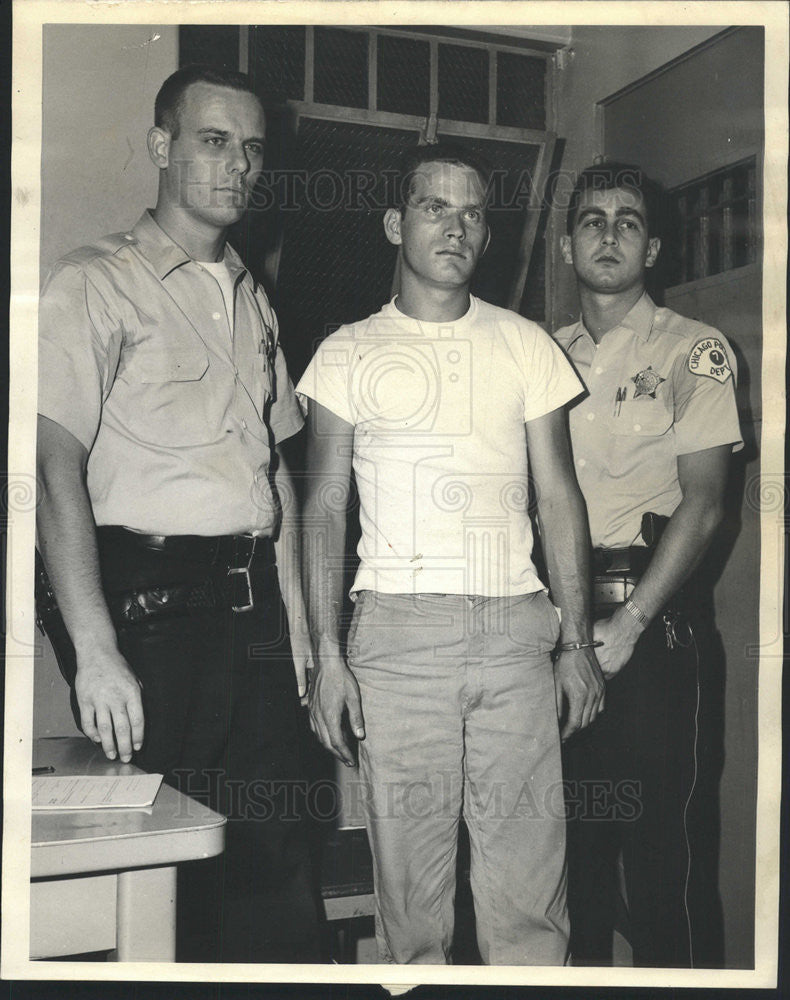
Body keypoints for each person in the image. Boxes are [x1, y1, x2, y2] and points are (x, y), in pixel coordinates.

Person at [35, 65, 320, 963]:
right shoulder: (95, 282)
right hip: (150, 609)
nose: (237, 164)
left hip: (256, 613)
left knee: (276, 865)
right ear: (162, 147)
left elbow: (275, 474)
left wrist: (304, 631)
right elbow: (52, 470)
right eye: (212, 140)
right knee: (171, 880)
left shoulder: (254, 299)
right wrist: (96, 649)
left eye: (252, 148)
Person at [297, 143, 605, 965]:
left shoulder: (527, 345)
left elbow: (560, 498)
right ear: (397, 223)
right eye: (436, 207)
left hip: (516, 637)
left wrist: (576, 642)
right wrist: (327, 657)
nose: (457, 227)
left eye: (473, 213)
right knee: (412, 909)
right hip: (397, 642)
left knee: (530, 907)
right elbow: (323, 507)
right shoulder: (347, 352)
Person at [555, 162, 742, 967]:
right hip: (560, 635)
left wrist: (627, 627)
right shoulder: (539, 356)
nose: (607, 233)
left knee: (668, 872)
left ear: (653, 248)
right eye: (592, 220)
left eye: (627, 221)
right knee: (574, 872)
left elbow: (703, 504)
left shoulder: (694, 351)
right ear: (567, 246)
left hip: (654, 631)